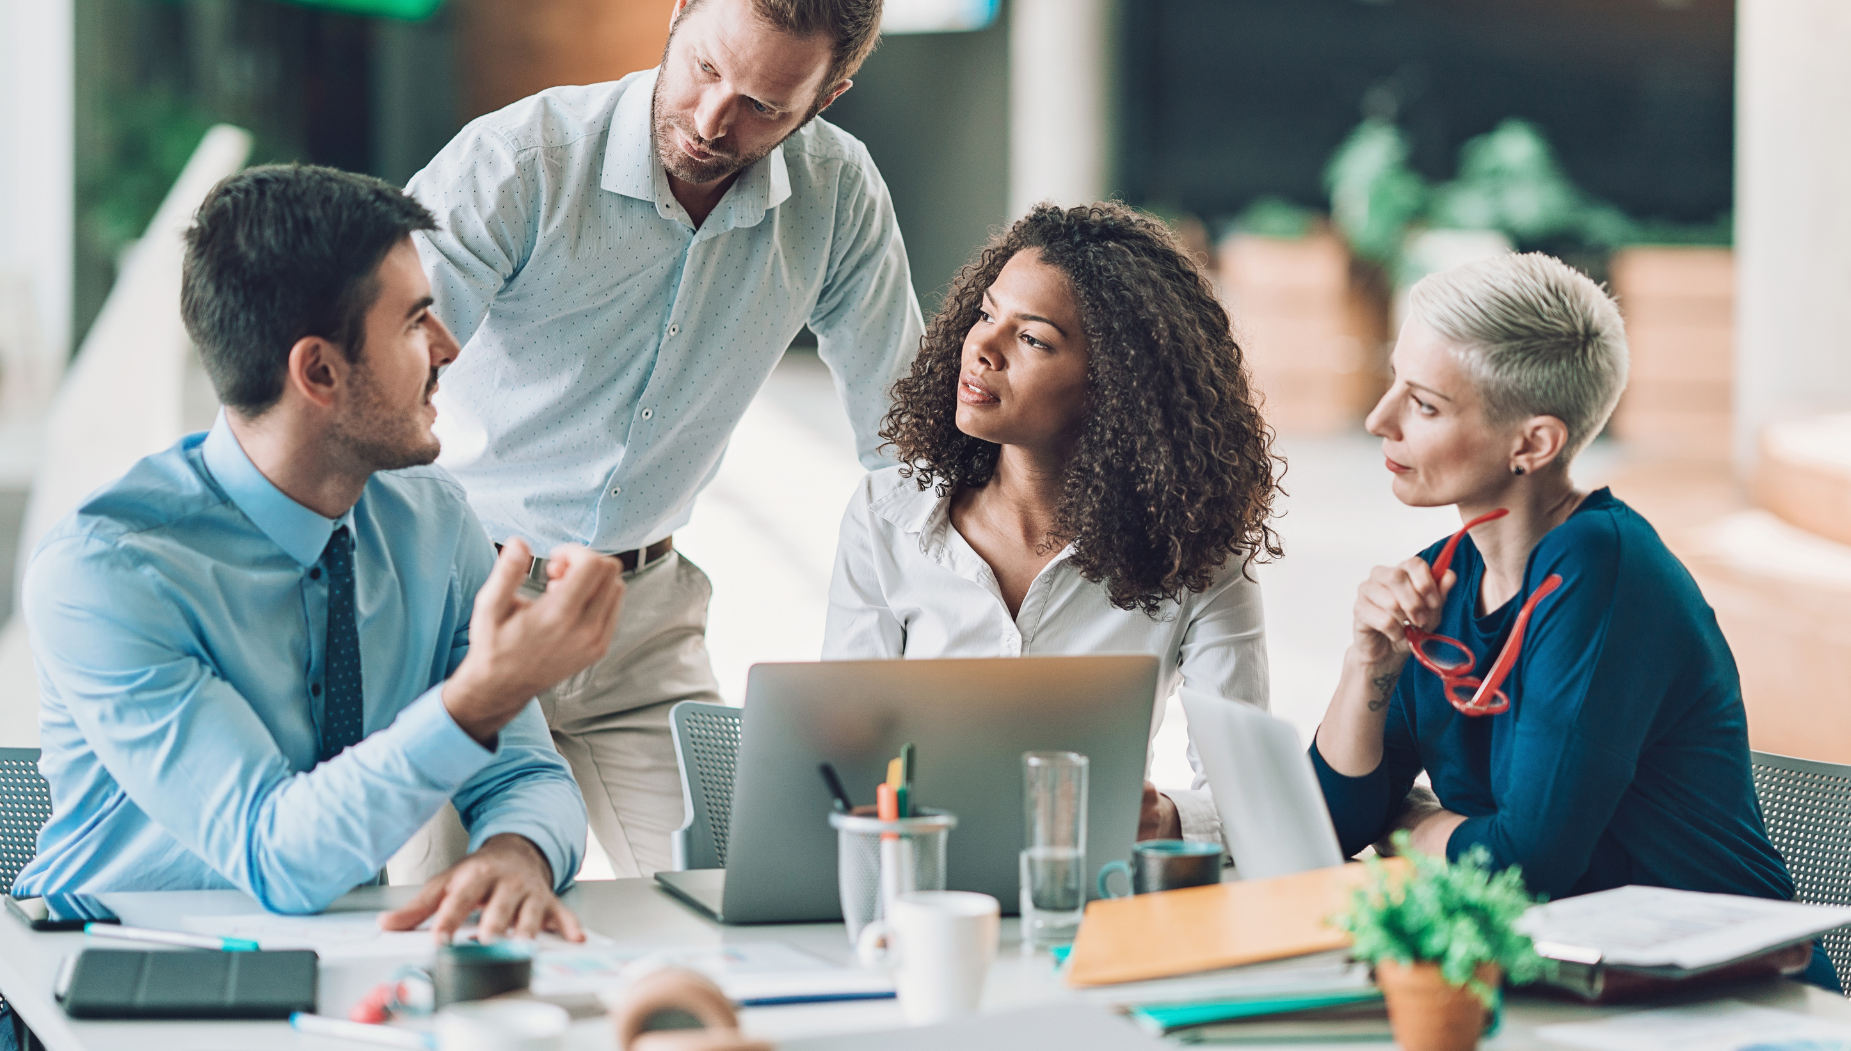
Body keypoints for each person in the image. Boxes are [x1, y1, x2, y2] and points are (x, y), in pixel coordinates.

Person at [12, 165, 624, 943]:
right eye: (415, 321)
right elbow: (276, 856)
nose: (450, 346)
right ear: (320, 372)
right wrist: (477, 698)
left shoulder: (434, 524)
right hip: (100, 986)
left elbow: (527, 775)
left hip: (330, 971)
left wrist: (516, 853)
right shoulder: (105, 573)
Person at [402, 0, 921, 880]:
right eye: (708, 70)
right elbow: (369, 388)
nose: (717, 122)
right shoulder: (517, 163)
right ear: (679, 14)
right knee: (445, 927)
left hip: (641, 626)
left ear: (829, 95)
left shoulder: (837, 195)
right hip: (460, 608)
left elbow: (905, 442)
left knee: (738, 901)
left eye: (766, 106)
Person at [1308, 252, 1832, 983]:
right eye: (1394, 381)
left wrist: (1411, 825)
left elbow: (1527, 864)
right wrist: (1370, 662)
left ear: (1533, 444)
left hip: (1729, 999)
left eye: (1424, 404)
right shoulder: (1444, 578)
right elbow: (1328, 826)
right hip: (1573, 981)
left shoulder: (1603, 570)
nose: (1377, 419)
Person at [825, 202, 1285, 844]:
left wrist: (1172, 819)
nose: (981, 346)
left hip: (1090, 895)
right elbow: (842, 762)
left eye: (1032, 338)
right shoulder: (885, 517)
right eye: (987, 314)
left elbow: (1251, 790)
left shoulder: (1199, 551)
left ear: (1115, 386)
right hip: (919, 888)